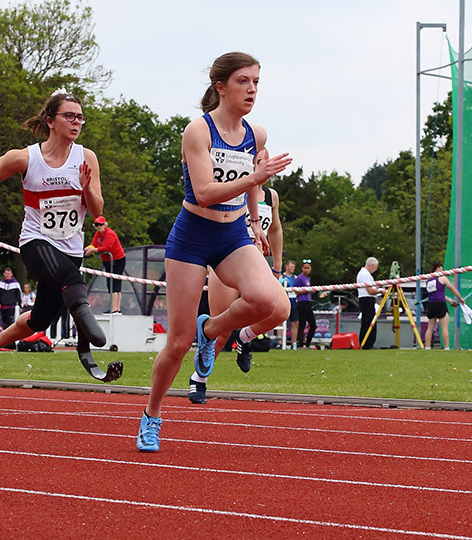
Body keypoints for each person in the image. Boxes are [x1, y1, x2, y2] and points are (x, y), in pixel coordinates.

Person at [137, 52, 292, 452]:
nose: (252, 89)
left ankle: (212, 331)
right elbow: (205, 193)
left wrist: (255, 222)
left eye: (257, 81)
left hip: (233, 235)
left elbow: (253, 186)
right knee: (176, 340)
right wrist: (255, 176)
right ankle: (152, 416)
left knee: (269, 301)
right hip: (192, 235)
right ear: (221, 87)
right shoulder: (198, 132)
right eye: (243, 81)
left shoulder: (256, 134)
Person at [0, 91, 107, 371]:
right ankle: (87, 329)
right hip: (36, 241)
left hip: (71, 246)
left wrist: (86, 186)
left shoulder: (86, 157)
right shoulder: (25, 158)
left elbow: (98, 210)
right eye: (69, 116)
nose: (76, 122)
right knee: (70, 280)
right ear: (50, 121)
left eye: (80, 117)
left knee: (40, 320)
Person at [190, 177, 284, 404]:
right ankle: (199, 379)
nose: (266, 165)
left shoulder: (271, 196)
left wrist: (278, 268)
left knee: (281, 311)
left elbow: (276, 229)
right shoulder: (234, 190)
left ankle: (245, 336)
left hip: (258, 266)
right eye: (261, 160)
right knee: (220, 333)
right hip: (228, 260)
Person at [84, 215, 126, 314]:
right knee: (109, 282)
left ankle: (115, 309)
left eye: (100, 225)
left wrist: (93, 250)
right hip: (107, 260)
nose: (98, 227)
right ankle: (114, 308)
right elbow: (94, 243)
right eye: (97, 225)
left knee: (115, 282)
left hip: (117, 259)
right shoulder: (98, 234)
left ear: (105, 225)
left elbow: (107, 247)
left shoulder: (110, 234)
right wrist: (88, 248)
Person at [423, 262, 466, 350]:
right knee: (444, 327)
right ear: (438, 268)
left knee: (430, 327)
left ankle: (427, 347)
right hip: (440, 304)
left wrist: (450, 300)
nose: (443, 270)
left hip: (431, 304)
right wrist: (460, 298)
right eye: (442, 268)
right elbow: (452, 289)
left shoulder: (429, 280)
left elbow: (437, 294)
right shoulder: (442, 278)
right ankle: (446, 347)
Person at [357, 257, 382, 349]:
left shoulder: (363, 273)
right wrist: (380, 291)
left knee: (366, 322)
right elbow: (370, 291)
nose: (375, 270)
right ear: (372, 265)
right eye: (375, 267)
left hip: (365, 299)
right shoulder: (366, 275)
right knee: (369, 322)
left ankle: (365, 343)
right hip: (367, 299)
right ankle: (368, 344)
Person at [295, 259, 316, 349]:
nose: (306, 270)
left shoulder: (308, 279)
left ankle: (308, 343)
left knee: (313, 324)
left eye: (308, 268)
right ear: (302, 268)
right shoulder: (300, 278)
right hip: (302, 302)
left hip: (308, 302)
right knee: (302, 323)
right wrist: (307, 290)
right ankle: (300, 343)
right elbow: (296, 291)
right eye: (305, 268)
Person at [280, 260, 298, 348]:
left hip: (293, 302)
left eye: (294, 267)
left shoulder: (295, 278)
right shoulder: (281, 277)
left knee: (295, 322)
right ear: (286, 267)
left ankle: (293, 343)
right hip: (283, 301)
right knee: (280, 321)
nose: (293, 268)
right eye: (291, 266)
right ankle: (279, 341)